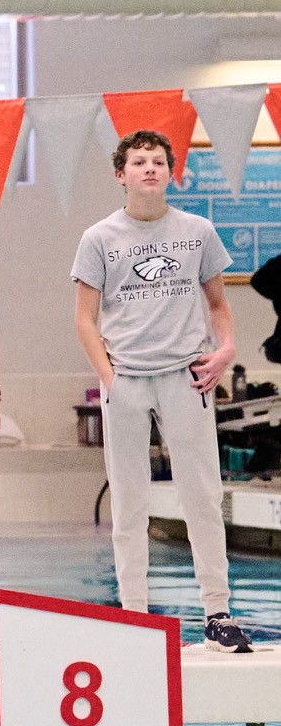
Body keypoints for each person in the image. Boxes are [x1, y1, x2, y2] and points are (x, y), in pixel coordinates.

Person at [73, 127, 246, 651]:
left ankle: (217, 612)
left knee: (203, 497)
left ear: (171, 172)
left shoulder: (198, 231)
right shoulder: (99, 237)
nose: (149, 168)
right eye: (138, 161)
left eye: (157, 161)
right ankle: (134, 615)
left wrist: (227, 349)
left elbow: (218, 305)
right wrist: (110, 378)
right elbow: (84, 319)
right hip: (126, 379)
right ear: (120, 174)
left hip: (185, 376)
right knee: (129, 502)